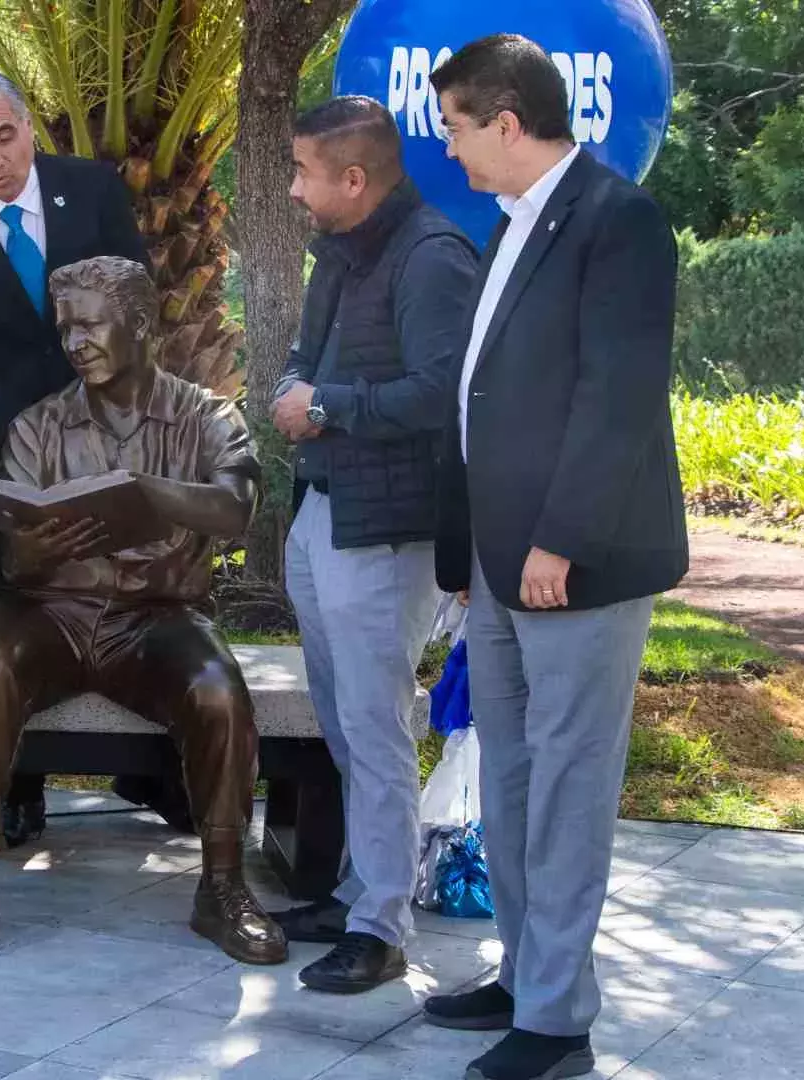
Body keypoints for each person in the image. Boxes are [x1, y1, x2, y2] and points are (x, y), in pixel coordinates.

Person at [418, 35, 689, 1080]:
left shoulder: (619, 221)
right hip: (496, 561)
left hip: (570, 562)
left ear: (506, 122)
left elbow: (617, 401)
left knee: (568, 787)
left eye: (455, 126)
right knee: (512, 781)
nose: (449, 147)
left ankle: (559, 1020)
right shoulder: (510, 223)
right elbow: (481, 392)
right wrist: (465, 553)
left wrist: (558, 542)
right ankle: (527, 977)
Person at [0, 256, 286, 967]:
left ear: (140, 325)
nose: (74, 340)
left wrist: (145, 491)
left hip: (159, 618)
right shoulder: (37, 426)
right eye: (65, 327)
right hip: (49, 612)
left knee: (217, 692)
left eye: (90, 323)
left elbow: (236, 509)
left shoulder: (205, 416)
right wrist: (39, 548)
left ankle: (224, 886)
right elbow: (12, 564)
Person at [0, 69, 186, 846]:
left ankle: (151, 770)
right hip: (1, 452)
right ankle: (17, 788)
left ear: (27, 126)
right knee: (11, 613)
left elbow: (136, 305)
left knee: (131, 598)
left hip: (111, 437)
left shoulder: (91, 190)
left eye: (3, 136)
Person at [266, 97, 479, 995]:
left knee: (378, 727)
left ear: (353, 179)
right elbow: (305, 359)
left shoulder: (432, 256)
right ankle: (360, 890)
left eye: (305, 171)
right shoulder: (341, 252)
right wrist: (297, 390)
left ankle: (382, 925)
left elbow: (442, 394)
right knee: (347, 720)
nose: (293, 188)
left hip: (388, 530)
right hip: (325, 512)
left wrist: (325, 408)